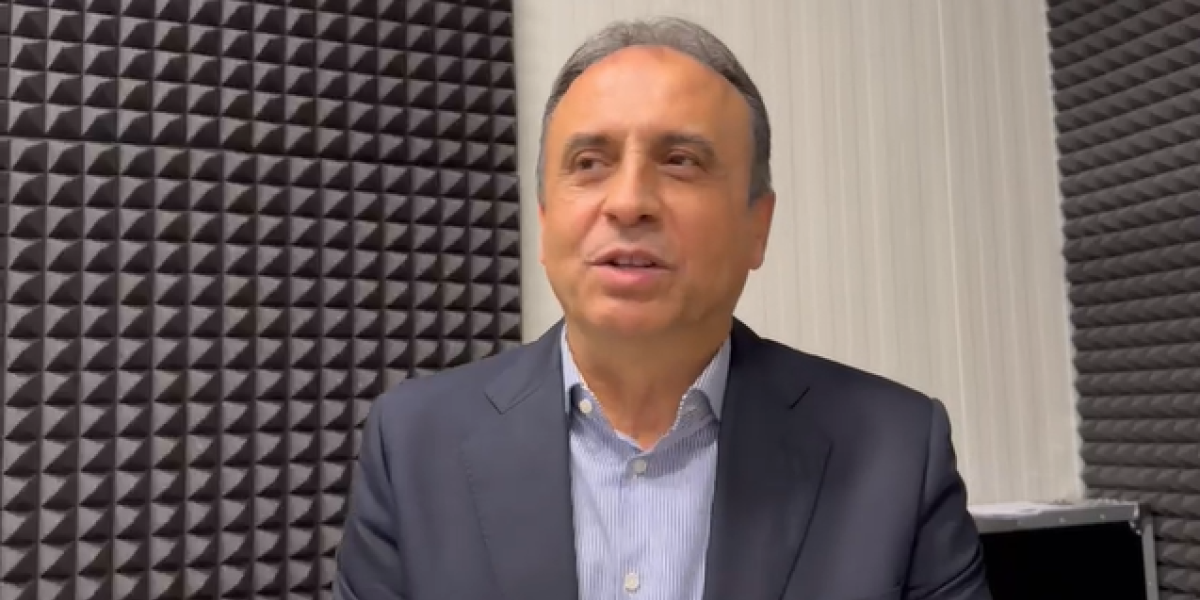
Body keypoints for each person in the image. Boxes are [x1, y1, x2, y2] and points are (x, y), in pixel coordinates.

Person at [332, 15, 991, 600]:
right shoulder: (413, 446)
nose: (628, 203)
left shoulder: (896, 452)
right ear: (544, 220)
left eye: (680, 162)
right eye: (589, 162)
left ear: (757, 227)